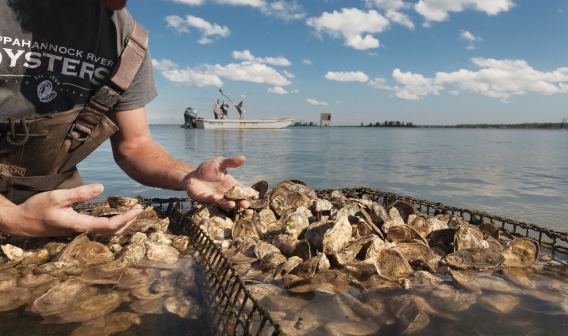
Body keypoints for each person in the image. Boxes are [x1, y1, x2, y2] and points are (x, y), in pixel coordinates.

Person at [0, 0, 251, 237]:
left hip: (60, 209)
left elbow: (135, 146)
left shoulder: (127, 39)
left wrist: (188, 175)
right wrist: (11, 216)